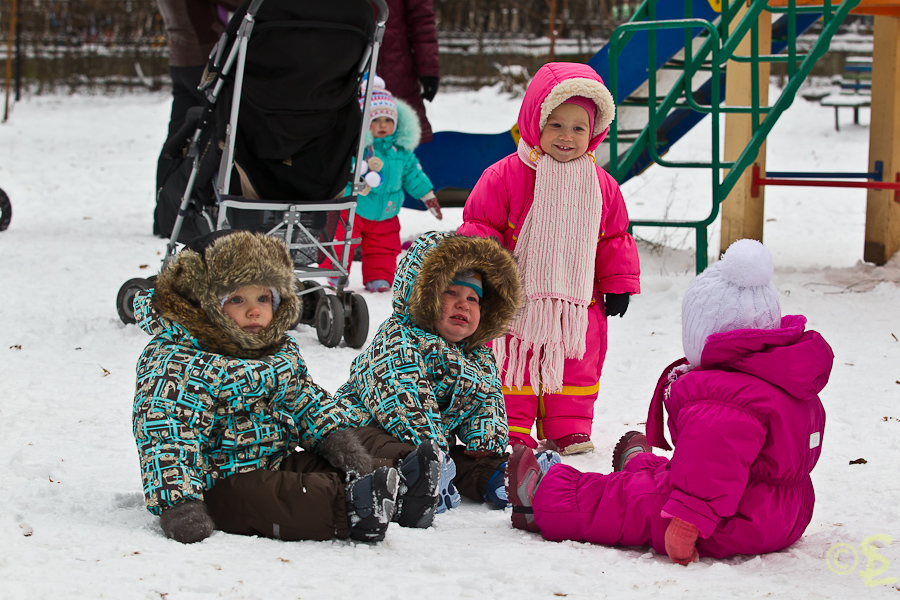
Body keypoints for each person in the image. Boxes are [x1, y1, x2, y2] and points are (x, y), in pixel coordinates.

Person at [506, 239, 834, 565]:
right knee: (682, 473)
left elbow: (712, 467)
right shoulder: (783, 378)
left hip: (730, 519)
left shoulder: (725, 396)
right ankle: (638, 467)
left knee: (628, 501)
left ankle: (544, 499)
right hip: (784, 514)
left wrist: (686, 524)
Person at [132, 230, 443, 544]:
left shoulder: (276, 350)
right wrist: (179, 504)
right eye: (237, 299)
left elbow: (306, 401)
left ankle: (399, 492)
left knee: (323, 469)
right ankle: (352, 507)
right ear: (201, 304)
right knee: (290, 495)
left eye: (263, 298)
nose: (254, 311)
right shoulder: (179, 361)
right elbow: (166, 434)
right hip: (217, 481)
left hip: (275, 459)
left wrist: (338, 443)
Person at [457, 62, 641, 455]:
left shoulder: (601, 185)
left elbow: (614, 237)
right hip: (516, 295)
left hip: (579, 299)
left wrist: (618, 283)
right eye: (556, 124)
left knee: (577, 358)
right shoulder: (505, 175)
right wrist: (480, 275)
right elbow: (481, 226)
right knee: (513, 357)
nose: (566, 136)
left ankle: (569, 426)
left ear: (594, 132)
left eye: (578, 128)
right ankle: (510, 425)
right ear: (534, 121)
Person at [333, 231, 560, 513]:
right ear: (422, 296)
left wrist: (486, 442)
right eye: (450, 293)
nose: (463, 304)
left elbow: (487, 399)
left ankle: (504, 478)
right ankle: (420, 482)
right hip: (362, 429)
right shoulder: (398, 340)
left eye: (473, 299)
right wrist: (433, 448)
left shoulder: (477, 355)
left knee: (463, 458)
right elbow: (402, 399)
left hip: (429, 442)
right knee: (397, 452)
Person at [320, 77, 441, 293]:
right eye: (376, 120)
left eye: (388, 119)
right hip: (353, 208)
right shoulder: (355, 149)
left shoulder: (401, 153)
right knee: (341, 240)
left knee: (383, 247)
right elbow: (339, 169)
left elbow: (414, 175)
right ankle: (336, 273)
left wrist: (427, 195)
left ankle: (379, 277)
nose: (383, 125)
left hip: (386, 212)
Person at [153, 0, 239, 236]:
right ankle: (218, 209)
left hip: (180, 59)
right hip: (205, 61)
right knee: (220, 131)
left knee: (176, 137)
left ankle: (163, 217)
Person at [378, 0, 440, 144]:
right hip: (344, 68)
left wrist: (428, 67)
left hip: (395, 70)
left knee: (405, 142)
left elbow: (421, 17)